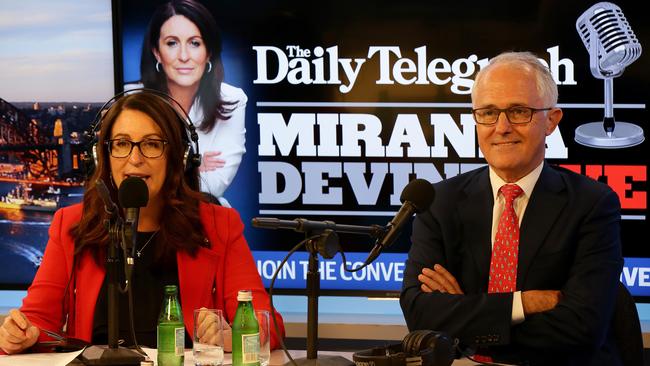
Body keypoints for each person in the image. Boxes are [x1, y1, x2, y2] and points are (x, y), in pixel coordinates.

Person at [0, 91, 284, 354]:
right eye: (122, 144)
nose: (134, 159)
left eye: (151, 144)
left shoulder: (219, 224)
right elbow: (39, 323)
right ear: (103, 155)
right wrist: (21, 335)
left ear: (178, 156)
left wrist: (230, 336)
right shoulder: (72, 224)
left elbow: (270, 327)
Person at [400, 52, 623, 365]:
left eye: (519, 111)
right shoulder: (440, 202)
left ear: (552, 121)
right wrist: (523, 304)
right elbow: (419, 313)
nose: (501, 127)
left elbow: (581, 328)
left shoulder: (593, 204)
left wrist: (465, 315)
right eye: (488, 112)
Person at [135, 0, 246, 206]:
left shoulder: (232, 99)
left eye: (195, 43)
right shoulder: (130, 99)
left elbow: (215, 186)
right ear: (157, 52)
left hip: (207, 217)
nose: (184, 56)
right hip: (146, 217)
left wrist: (165, 165)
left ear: (208, 51)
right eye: (172, 43)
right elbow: (133, 182)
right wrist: (190, 165)